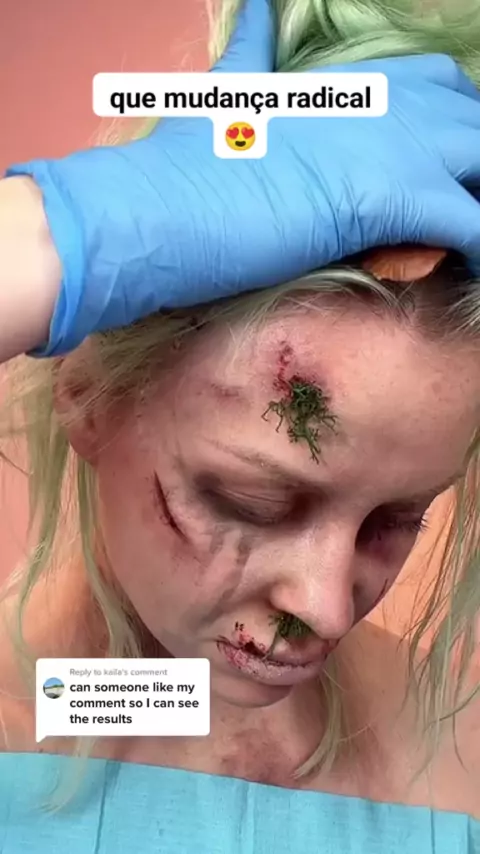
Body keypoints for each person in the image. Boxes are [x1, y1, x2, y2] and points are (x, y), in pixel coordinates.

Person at [0, 0, 479, 851]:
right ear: (88, 390)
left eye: (398, 520)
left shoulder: (461, 756)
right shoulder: (28, 719)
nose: (323, 609)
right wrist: (52, 241)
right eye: (253, 501)